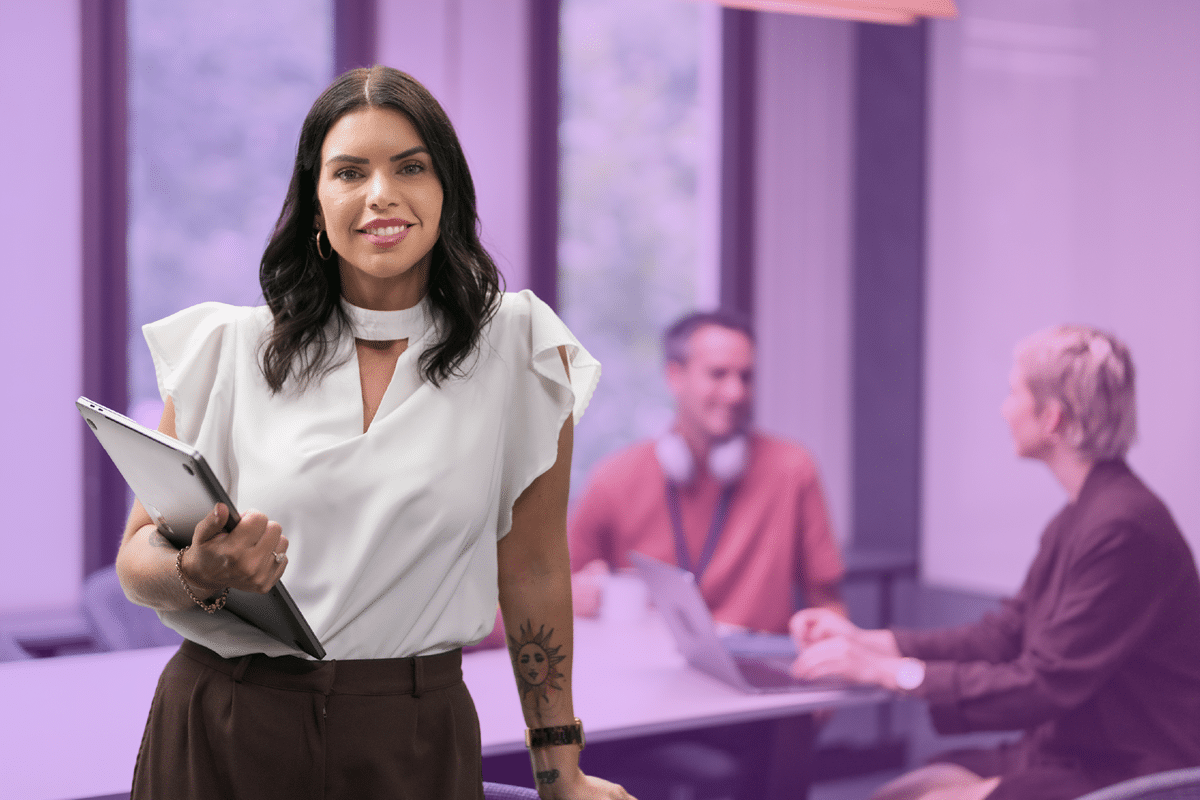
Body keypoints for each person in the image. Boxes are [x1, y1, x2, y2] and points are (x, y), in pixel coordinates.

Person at [114, 65, 632, 800]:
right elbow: (137, 560)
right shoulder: (227, 349)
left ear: (445, 190)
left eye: (410, 167)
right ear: (316, 202)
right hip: (224, 724)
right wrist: (201, 574)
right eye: (349, 172)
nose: (380, 194)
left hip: (411, 736)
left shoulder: (521, 349)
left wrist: (561, 771)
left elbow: (536, 571)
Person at [790, 324, 1200, 800]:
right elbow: (1003, 635)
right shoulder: (1084, 515)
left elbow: (1044, 682)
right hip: (1071, 752)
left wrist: (889, 673)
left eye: (1013, 393)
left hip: (1127, 769)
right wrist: (871, 643)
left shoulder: (1124, 527)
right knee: (896, 794)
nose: (1004, 410)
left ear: (1051, 418)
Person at [569, 310, 845, 632]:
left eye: (746, 377)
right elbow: (554, 590)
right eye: (718, 374)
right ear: (675, 376)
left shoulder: (793, 470)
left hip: (754, 666)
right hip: (647, 669)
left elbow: (828, 602)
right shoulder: (614, 478)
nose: (736, 393)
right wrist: (570, 598)